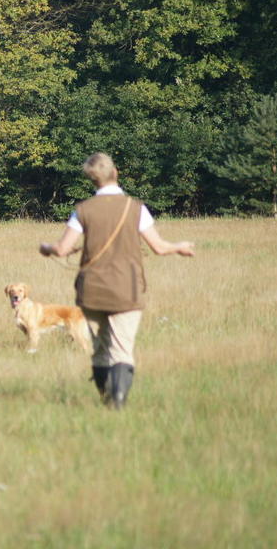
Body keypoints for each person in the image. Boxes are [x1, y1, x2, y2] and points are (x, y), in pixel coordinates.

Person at [39, 153, 195, 409]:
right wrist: (179, 246)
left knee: (100, 350)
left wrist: (46, 248)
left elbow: (63, 249)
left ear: (92, 180)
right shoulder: (135, 208)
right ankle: (118, 401)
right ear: (116, 172)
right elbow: (158, 246)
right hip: (128, 289)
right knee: (122, 349)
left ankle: (105, 399)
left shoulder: (83, 210)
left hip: (92, 291)